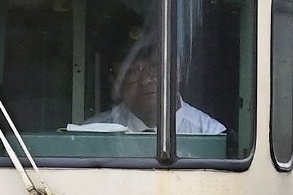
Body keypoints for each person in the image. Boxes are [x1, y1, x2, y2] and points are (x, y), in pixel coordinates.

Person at [70, 30, 225, 140]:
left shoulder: (209, 135)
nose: (145, 80)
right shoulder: (92, 136)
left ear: (178, 71)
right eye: (132, 71)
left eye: (155, 68)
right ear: (115, 81)